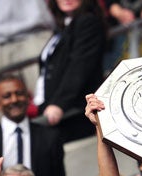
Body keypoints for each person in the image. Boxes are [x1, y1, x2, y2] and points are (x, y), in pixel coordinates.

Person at [35, 0, 106, 142]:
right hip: (55, 106)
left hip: (74, 111)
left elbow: (80, 66)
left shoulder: (87, 22)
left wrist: (59, 104)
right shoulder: (64, 25)